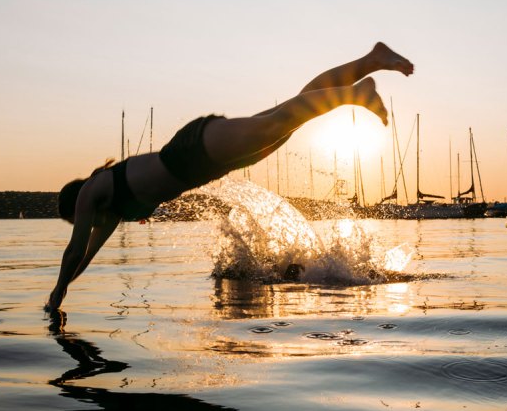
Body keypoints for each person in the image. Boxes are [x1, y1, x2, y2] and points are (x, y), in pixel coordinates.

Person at [46, 42, 414, 311]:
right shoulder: (111, 213)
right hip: (206, 166)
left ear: (75, 204)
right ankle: (370, 60)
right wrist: (64, 290)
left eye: (77, 219)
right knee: (291, 116)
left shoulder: (91, 191)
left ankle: (355, 94)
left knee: (280, 120)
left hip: (190, 150)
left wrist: (55, 294)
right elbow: (85, 257)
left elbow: (73, 249)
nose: (84, 222)